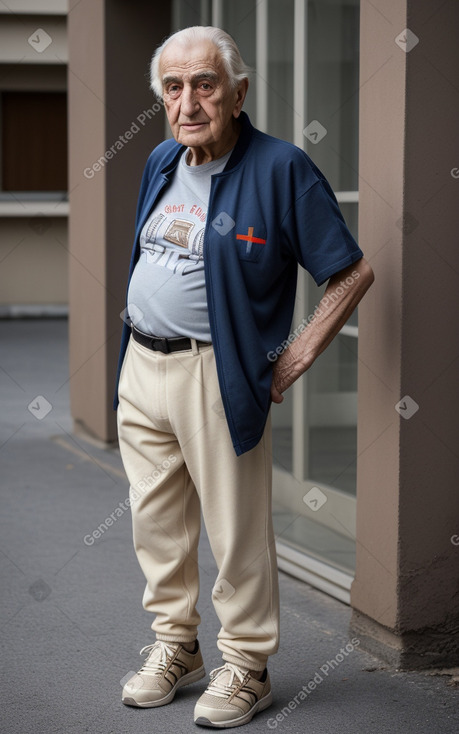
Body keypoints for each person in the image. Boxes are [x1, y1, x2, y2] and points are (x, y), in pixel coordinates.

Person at [114, 25, 374, 729]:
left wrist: (292, 355)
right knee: (156, 526)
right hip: (141, 366)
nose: (188, 100)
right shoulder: (162, 160)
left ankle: (247, 666)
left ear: (238, 92)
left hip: (214, 375)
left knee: (235, 534)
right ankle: (178, 648)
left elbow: (349, 272)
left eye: (204, 83)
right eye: (173, 87)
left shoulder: (280, 169)